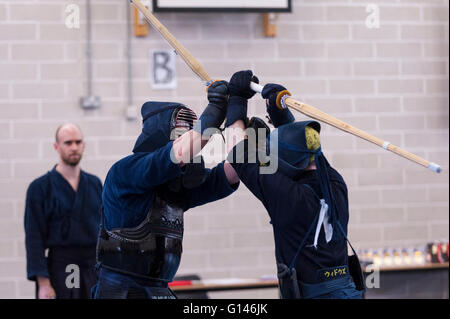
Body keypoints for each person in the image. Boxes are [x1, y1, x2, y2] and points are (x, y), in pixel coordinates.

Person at [93, 80, 240, 299]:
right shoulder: (126, 171)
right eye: (182, 134)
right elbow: (177, 154)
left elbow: (234, 172)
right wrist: (216, 109)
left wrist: (239, 111)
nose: (188, 141)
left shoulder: (176, 186)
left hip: (158, 289)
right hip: (120, 290)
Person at [224, 70, 364, 299]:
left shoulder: (287, 195)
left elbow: (236, 151)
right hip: (348, 292)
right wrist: (279, 113)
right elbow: (308, 148)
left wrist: (237, 100)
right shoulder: (336, 183)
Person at [24, 123, 103, 299]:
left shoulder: (94, 184)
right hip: (64, 267)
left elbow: (106, 230)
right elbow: (33, 239)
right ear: (56, 147)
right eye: (68, 143)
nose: (74, 147)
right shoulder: (40, 187)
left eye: (78, 142)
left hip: (93, 267)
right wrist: (43, 284)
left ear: (83, 145)